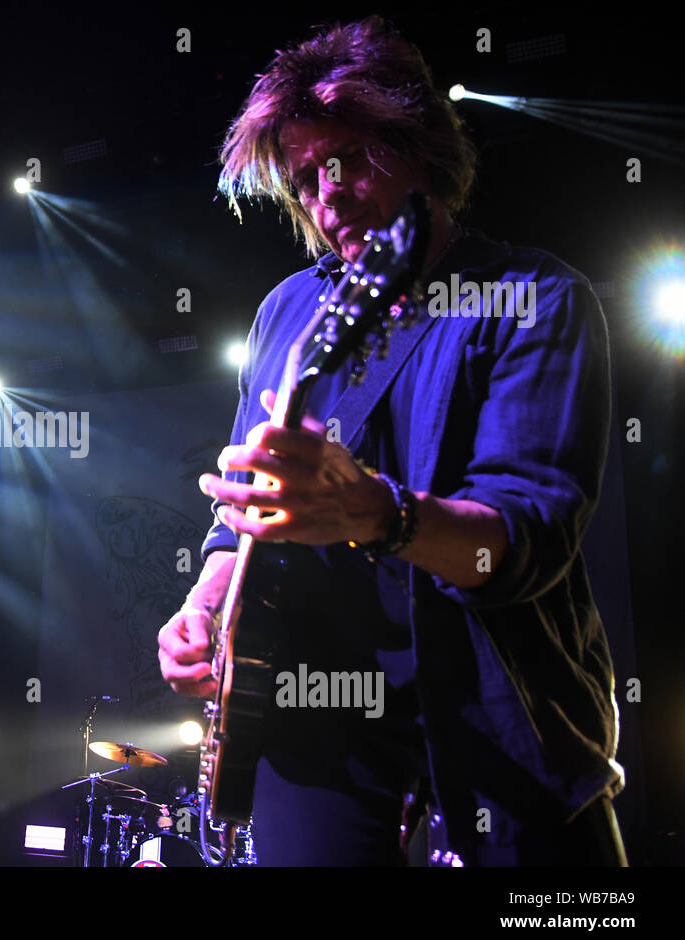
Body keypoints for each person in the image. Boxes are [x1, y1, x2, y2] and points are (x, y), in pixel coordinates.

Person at [157, 16, 626, 866]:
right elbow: (240, 520)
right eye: (305, 180)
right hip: (317, 736)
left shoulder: (538, 297)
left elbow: (522, 545)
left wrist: (376, 512)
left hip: (499, 723)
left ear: (420, 149)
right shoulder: (287, 313)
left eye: (349, 161)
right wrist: (203, 607)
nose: (328, 196)